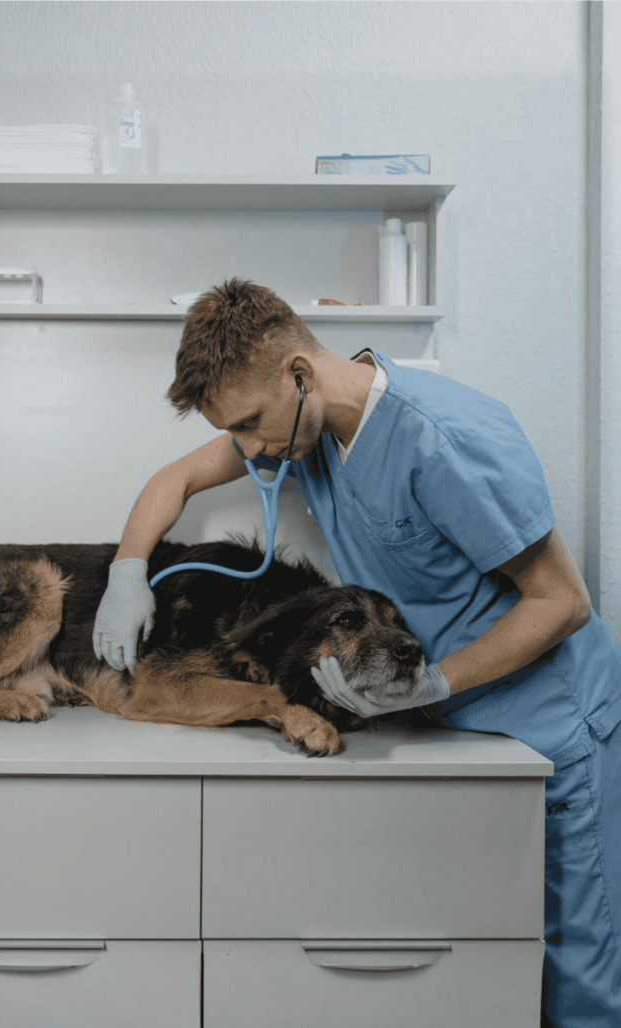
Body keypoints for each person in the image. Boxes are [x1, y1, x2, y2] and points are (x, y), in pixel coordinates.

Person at [92, 278, 621, 1028]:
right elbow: (177, 477)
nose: (250, 452)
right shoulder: (305, 427)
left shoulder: (442, 438)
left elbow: (563, 602)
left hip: (549, 724)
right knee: (476, 958)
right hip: (449, 731)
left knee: (577, 972)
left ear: (300, 375)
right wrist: (125, 571)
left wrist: (434, 681)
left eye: (249, 424)